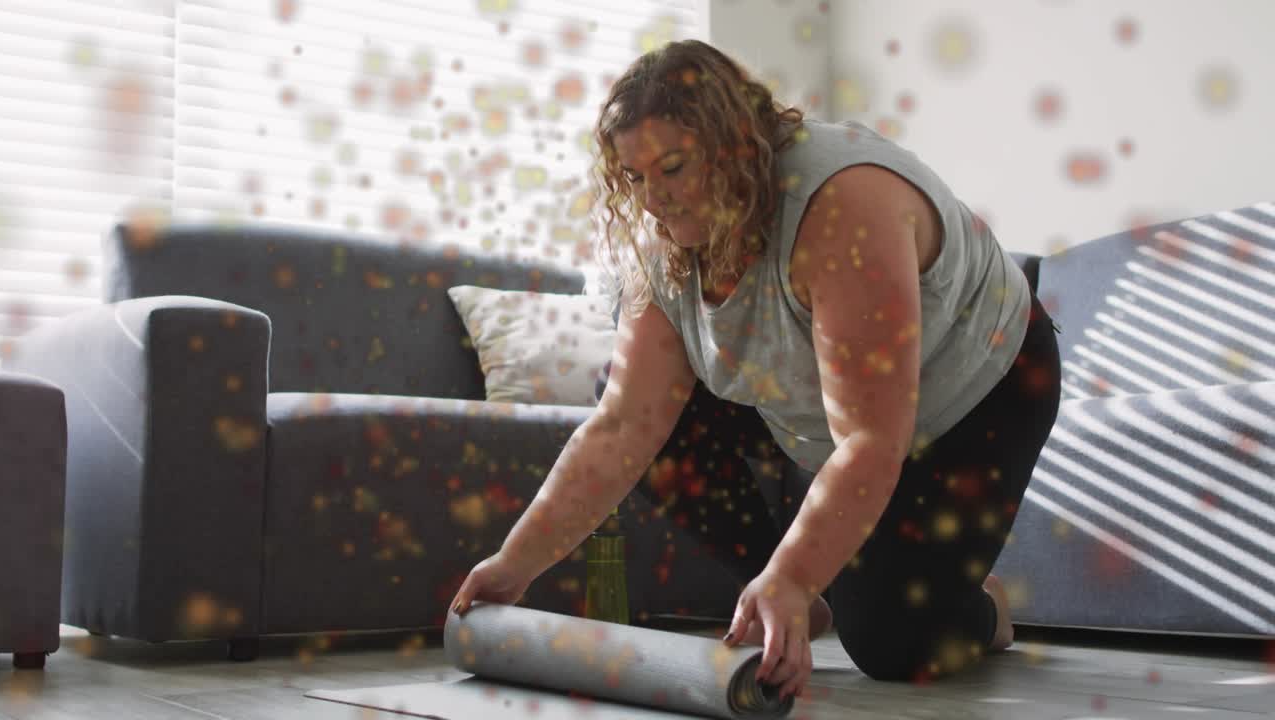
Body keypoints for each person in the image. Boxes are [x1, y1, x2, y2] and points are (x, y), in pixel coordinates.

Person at [450, 39, 1062, 699]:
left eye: (675, 167)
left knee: (894, 645)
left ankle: (982, 610)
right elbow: (622, 425)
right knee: (633, 401)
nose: (654, 200)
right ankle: (801, 597)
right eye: (635, 176)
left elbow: (871, 438)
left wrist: (795, 574)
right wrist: (514, 564)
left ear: (736, 144)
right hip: (834, 410)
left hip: (979, 390)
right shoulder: (661, 244)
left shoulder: (841, 206)